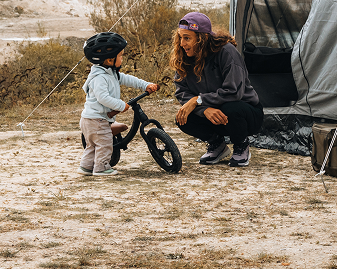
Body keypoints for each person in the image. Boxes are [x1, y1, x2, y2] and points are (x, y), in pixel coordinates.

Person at [172, 12, 264, 167]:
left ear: (202, 39)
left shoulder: (226, 52)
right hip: (213, 113)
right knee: (183, 116)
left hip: (245, 113)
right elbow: (182, 92)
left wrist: (199, 100)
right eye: (180, 37)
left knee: (231, 108)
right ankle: (217, 145)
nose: (182, 43)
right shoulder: (185, 57)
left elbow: (234, 92)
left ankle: (241, 144)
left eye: (187, 38)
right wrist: (204, 109)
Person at [79, 32, 158, 176]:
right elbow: (103, 98)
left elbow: (128, 79)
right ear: (109, 60)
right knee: (104, 144)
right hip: (97, 120)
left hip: (90, 119)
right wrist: (121, 105)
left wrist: (146, 85)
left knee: (92, 146)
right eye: (120, 56)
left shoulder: (110, 73)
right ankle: (101, 168)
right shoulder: (100, 78)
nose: (122, 58)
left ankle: (86, 167)